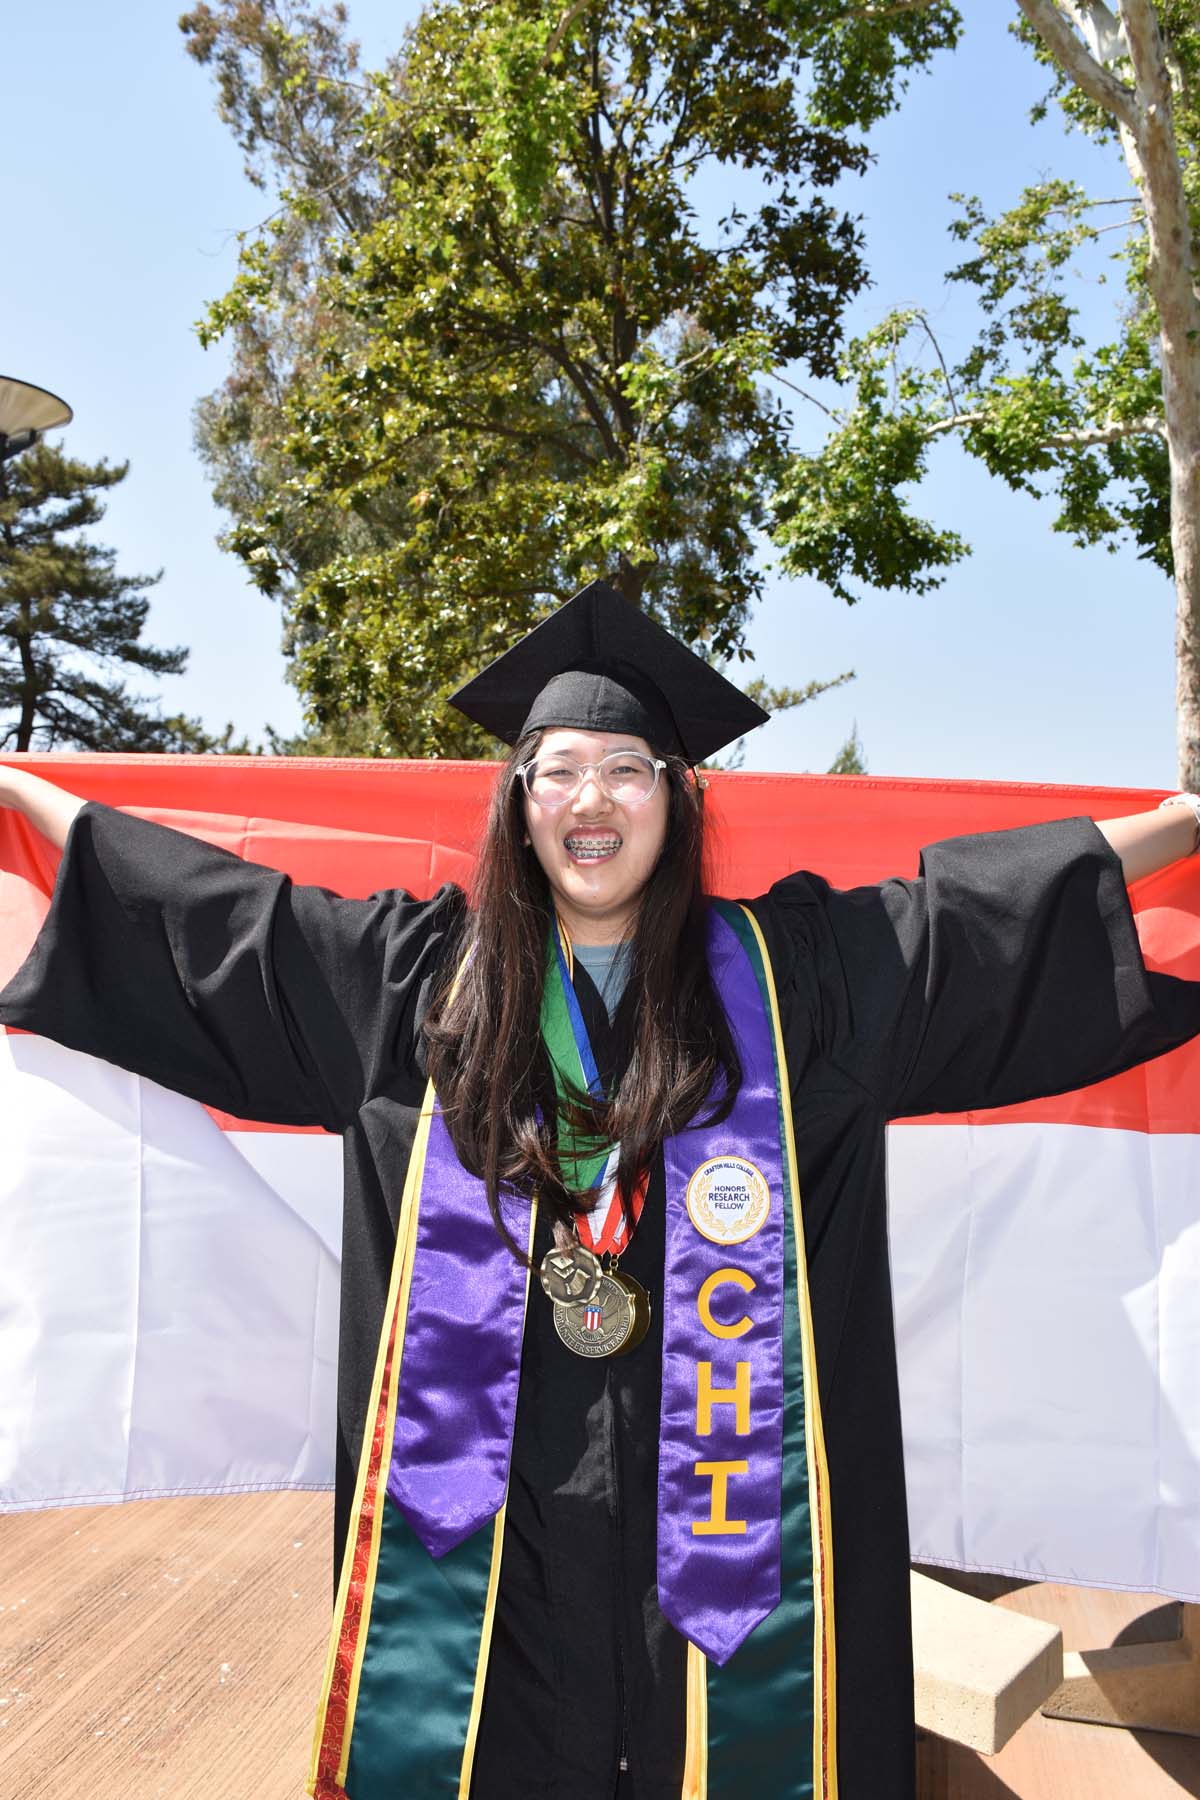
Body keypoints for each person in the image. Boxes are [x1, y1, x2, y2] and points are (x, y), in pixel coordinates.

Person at [2, 578, 1200, 1800]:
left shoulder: (797, 985)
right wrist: (18, 798)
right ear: (519, 805)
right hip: (494, 1539)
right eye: (559, 768)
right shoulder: (408, 988)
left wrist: (1184, 825)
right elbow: (202, 920)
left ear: (678, 803)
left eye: (630, 769)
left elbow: (981, 923)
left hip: (727, 1518)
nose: (593, 799)